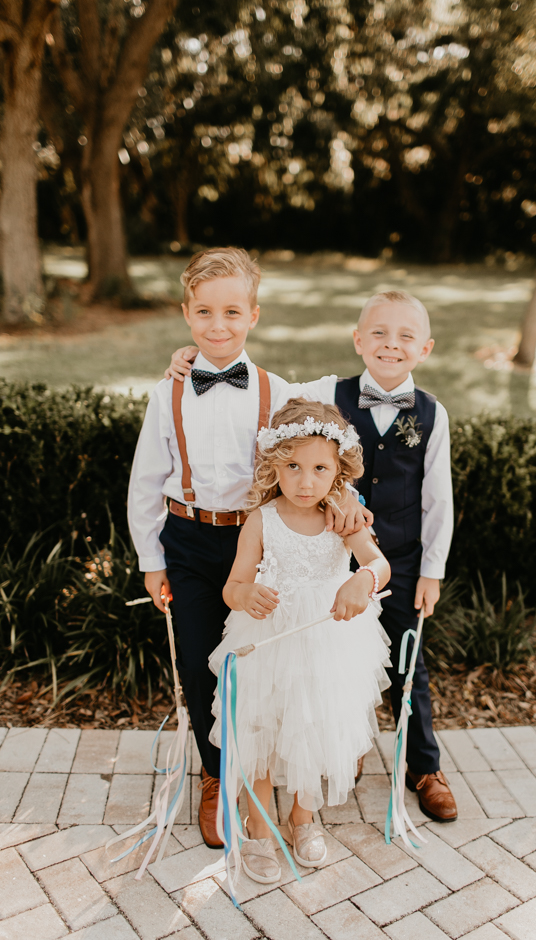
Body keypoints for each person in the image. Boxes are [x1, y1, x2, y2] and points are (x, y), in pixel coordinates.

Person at [167, 287, 458, 822]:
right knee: (309, 681)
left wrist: (432, 572)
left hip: (395, 558)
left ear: (426, 348)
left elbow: (440, 498)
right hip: (323, 546)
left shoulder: (433, 414)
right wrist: (198, 358)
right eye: (378, 333)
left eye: (405, 336)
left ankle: (423, 765)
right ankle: (289, 781)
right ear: (357, 340)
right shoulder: (326, 391)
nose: (390, 345)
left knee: (408, 665)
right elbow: (269, 395)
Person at [127, 247, 371, 850]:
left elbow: (319, 442)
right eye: (204, 312)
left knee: (258, 662)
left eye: (232, 312)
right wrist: (151, 559)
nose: (218, 325)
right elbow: (144, 481)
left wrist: (346, 502)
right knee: (197, 661)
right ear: (187, 314)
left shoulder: (278, 390)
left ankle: (275, 771)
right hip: (187, 539)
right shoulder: (169, 394)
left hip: (256, 543)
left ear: (253, 316)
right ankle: (217, 775)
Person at [209, 398, 391, 884]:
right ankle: (260, 826)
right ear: (274, 466)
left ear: (338, 470)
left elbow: (378, 565)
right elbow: (231, 588)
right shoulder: (261, 520)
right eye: (292, 467)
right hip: (268, 639)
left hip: (327, 640)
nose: (306, 481)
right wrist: (246, 593)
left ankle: (303, 816)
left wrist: (362, 582)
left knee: (315, 725)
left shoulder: (341, 517)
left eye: (318, 468)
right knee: (260, 731)